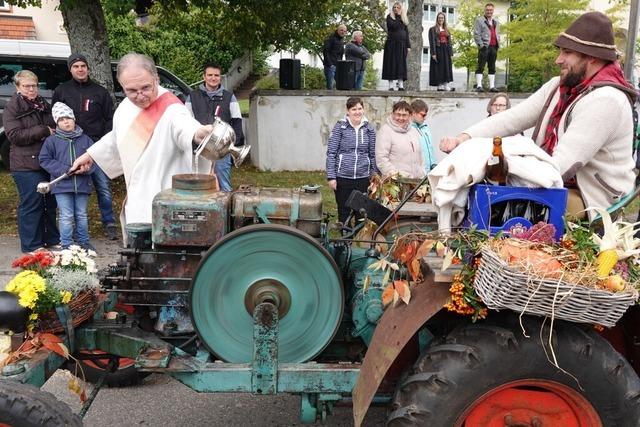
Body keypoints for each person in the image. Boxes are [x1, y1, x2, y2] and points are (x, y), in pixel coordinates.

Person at [440, 12, 637, 220]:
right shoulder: (558, 86)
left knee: (509, 209)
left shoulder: (607, 100)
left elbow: (560, 166)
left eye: (567, 52)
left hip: (595, 200)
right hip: (559, 185)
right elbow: (513, 118)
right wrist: (464, 138)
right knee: (479, 194)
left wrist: (505, 165)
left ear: (591, 57)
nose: (558, 60)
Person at [71, 53, 215, 241]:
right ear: (122, 86)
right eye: (131, 90)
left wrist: (198, 134)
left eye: (146, 87)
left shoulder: (172, 108)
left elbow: (184, 128)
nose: (139, 96)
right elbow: (117, 138)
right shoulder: (125, 108)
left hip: (165, 200)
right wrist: (90, 155)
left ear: (156, 79)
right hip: (137, 198)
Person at [52, 53, 118, 240]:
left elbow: (109, 118)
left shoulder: (100, 92)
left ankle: (109, 222)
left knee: (103, 186)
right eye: (76, 66)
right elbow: (56, 118)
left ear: (88, 68)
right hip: (71, 148)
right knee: (70, 187)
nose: (80, 69)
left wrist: (102, 142)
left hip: (97, 148)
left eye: (83, 66)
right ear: (70, 69)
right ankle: (71, 226)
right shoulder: (62, 91)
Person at [2, 70, 60, 253]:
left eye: (34, 85)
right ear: (18, 88)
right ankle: (31, 245)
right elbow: (14, 135)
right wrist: (43, 130)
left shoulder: (43, 104)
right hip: (25, 164)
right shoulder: (13, 107)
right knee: (32, 203)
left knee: (50, 203)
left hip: (46, 161)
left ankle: (50, 239)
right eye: (26, 86)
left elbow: (54, 125)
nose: (31, 89)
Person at [39, 102, 95, 251]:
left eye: (68, 118)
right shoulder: (51, 141)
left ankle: (84, 242)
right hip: (61, 185)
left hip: (82, 184)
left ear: (74, 119)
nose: (66, 122)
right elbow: (44, 160)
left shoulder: (86, 139)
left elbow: (95, 158)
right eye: (62, 120)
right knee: (66, 215)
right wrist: (66, 170)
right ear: (57, 123)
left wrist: (87, 168)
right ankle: (66, 244)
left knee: (82, 214)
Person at [185, 62, 244, 192]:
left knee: (224, 186)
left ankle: (225, 210)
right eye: (210, 75)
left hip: (222, 151)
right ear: (204, 77)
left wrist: (234, 145)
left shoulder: (230, 97)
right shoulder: (192, 97)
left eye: (216, 75)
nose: (213, 78)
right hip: (200, 150)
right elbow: (186, 122)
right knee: (199, 185)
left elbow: (237, 121)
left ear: (220, 77)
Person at [326, 97, 377, 225]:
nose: (357, 112)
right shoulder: (340, 127)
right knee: (344, 212)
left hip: (362, 178)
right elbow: (331, 153)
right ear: (348, 111)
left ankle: (359, 242)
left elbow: (372, 154)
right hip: (343, 177)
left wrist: (373, 176)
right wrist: (331, 177)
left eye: (360, 108)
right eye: (354, 109)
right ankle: (345, 242)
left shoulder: (369, 129)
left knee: (361, 213)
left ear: (363, 110)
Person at [376, 100, 424, 178]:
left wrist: (421, 173)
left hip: (415, 182)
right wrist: (396, 176)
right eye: (398, 114)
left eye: (404, 115)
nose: (401, 118)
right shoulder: (385, 131)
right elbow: (381, 159)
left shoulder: (413, 131)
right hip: (395, 183)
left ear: (410, 116)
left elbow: (420, 156)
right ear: (392, 114)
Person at [382, 2, 410, 91]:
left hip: (402, 45)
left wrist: (408, 46)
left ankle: (401, 85)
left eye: (398, 7)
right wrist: (398, 16)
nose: (396, 9)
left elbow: (406, 33)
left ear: (401, 9)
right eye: (394, 7)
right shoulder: (389, 17)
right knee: (391, 63)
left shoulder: (404, 19)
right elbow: (393, 26)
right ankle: (391, 86)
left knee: (401, 65)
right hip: (391, 44)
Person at [473, 3, 500, 92]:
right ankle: (479, 86)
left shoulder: (496, 21)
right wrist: (481, 45)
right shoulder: (479, 20)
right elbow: (477, 34)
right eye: (487, 10)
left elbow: (497, 33)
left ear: (493, 11)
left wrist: (498, 43)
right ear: (485, 10)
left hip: (494, 47)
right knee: (481, 66)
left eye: (491, 10)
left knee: (492, 67)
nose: (489, 12)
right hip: (484, 47)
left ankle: (492, 87)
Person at [429, 12, 454, 92]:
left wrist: (451, 53)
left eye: (442, 18)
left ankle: (446, 85)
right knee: (438, 68)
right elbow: (432, 41)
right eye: (439, 18)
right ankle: (439, 86)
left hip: (446, 50)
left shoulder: (447, 30)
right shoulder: (432, 29)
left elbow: (450, 42)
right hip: (438, 49)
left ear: (444, 19)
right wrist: (433, 53)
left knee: (446, 67)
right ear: (437, 19)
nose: (441, 19)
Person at [410, 99, 436, 173]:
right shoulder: (408, 130)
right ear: (413, 113)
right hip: (417, 173)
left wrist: (434, 164)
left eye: (425, 115)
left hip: (430, 172)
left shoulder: (425, 128)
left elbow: (430, 148)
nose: (425, 118)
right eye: (422, 115)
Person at [322, 24, 347, 90]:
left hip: (337, 66)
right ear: (337, 30)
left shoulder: (341, 41)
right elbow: (325, 51)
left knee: (337, 87)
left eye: (344, 31)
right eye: (341, 30)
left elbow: (340, 55)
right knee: (330, 87)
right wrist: (330, 64)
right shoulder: (331, 39)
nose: (343, 32)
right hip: (330, 67)